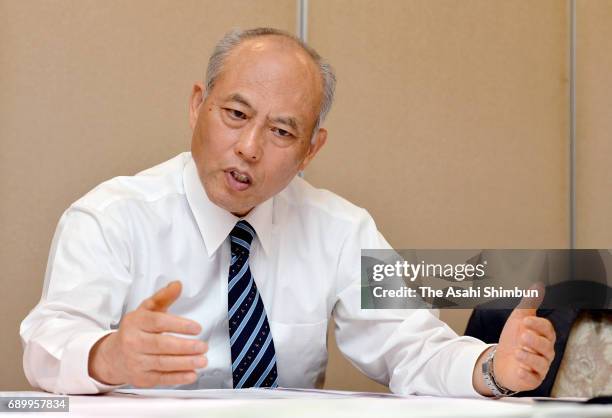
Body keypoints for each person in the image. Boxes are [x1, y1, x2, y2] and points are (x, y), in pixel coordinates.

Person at [20, 27, 555, 397]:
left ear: (310, 150)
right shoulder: (111, 217)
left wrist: (492, 369)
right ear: (196, 105)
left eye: (281, 131)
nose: (249, 147)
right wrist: (105, 356)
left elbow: (413, 347)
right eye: (235, 114)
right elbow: (48, 344)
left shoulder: (342, 229)